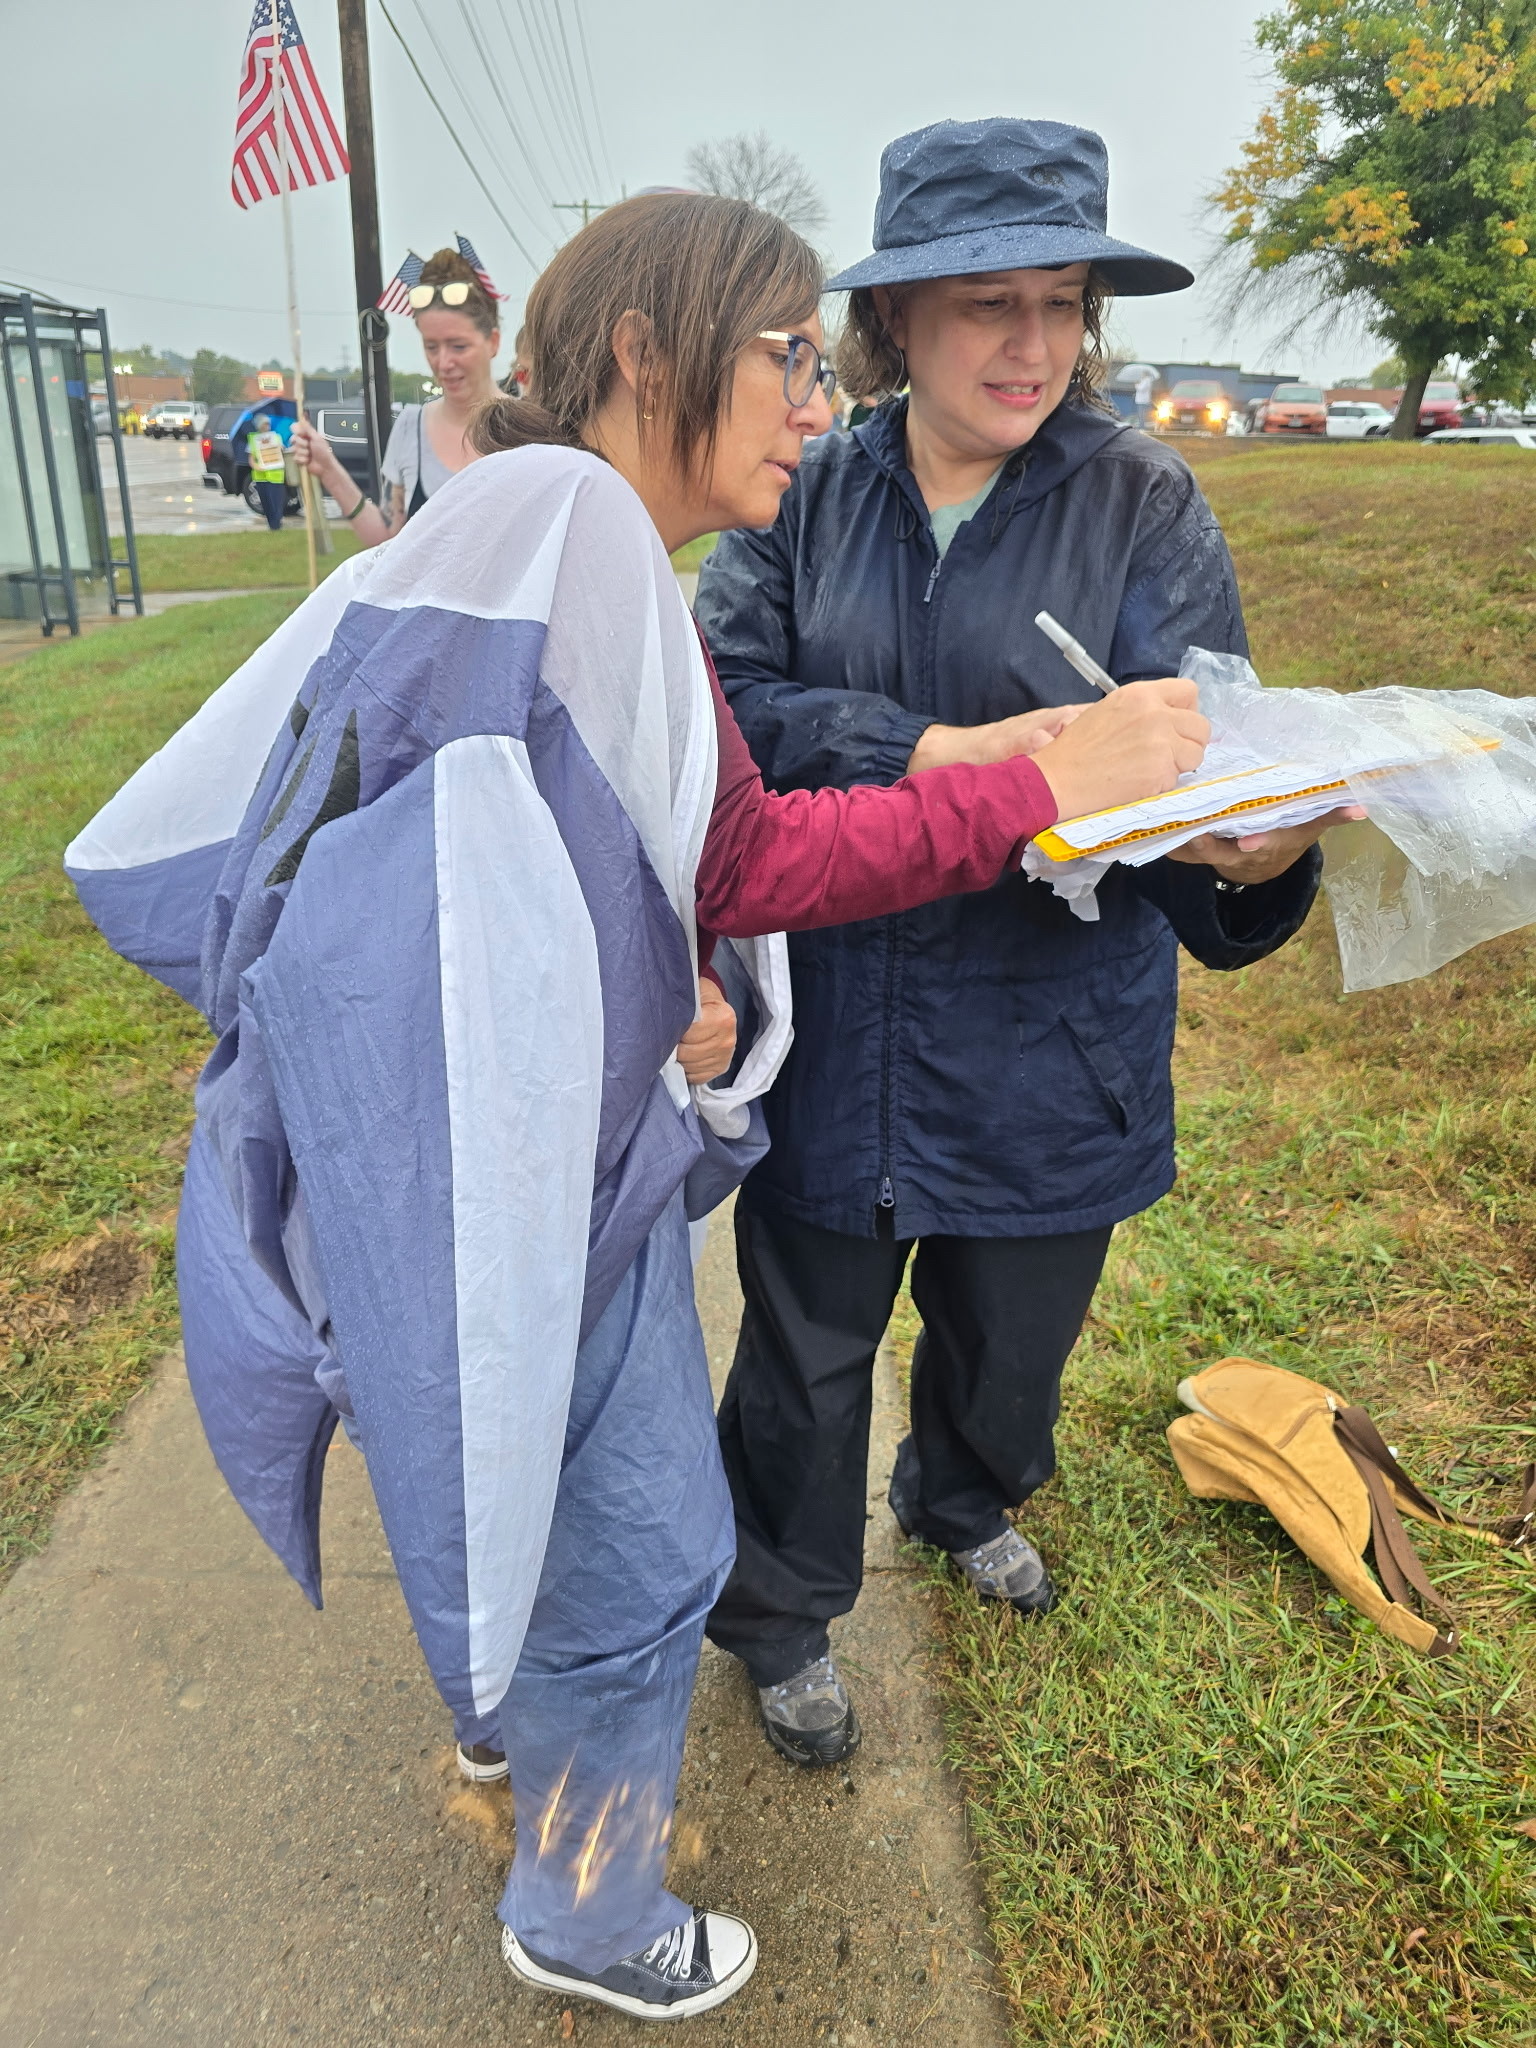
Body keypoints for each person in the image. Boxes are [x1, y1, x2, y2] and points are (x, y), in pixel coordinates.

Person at [65, 193, 1207, 2023]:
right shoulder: (582, 523)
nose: (810, 398)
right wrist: (1045, 779)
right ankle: (585, 1905)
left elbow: (591, 837)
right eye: (775, 355)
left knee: (590, 1513)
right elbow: (737, 851)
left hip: (547, 1165)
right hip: (541, 1182)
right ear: (643, 354)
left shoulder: (556, 532)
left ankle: (531, 1741)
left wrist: (647, 958)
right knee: (653, 1545)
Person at [694, 118, 1361, 1770]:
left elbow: (1205, 757)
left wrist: (1253, 844)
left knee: (1009, 1342)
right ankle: (778, 1602)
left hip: (1054, 1039)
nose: (1030, 344)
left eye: (1059, 302)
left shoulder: (1141, 495)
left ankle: (960, 1493)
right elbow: (727, 717)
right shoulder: (804, 485)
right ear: (896, 323)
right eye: (986, 302)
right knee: (805, 1348)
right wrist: (948, 754)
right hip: (837, 1015)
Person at [293, 244, 502, 544]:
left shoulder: (526, 430)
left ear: (493, 342)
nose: (443, 363)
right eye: (431, 346)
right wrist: (328, 469)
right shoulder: (410, 426)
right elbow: (387, 542)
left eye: (458, 346)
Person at [246, 411, 288, 530]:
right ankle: (272, 526)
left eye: (268, 424)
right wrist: (256, 466)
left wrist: (281, 448)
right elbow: (251, 459)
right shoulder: (253, 439)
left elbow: (282, 452)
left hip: (276, 476)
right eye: (264, 424)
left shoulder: (276, 437)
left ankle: (277, 525)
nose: (267, 427)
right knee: (266, 503)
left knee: (277, 502)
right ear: (259, 426)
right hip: (261, 476)